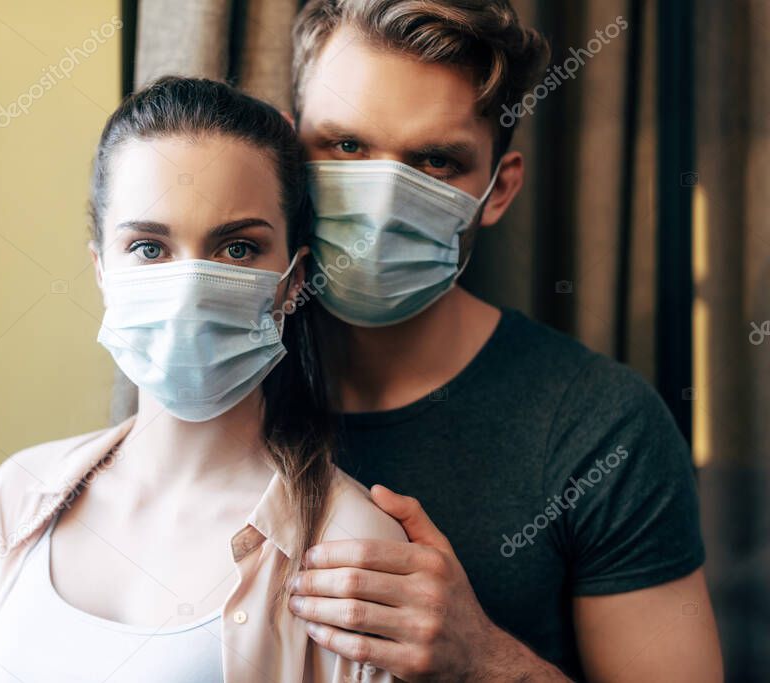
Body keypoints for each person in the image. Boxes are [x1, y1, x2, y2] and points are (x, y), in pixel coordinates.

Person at [281, 1, 723, 681]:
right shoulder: (218, 384)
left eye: (435, 160)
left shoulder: (606, 428)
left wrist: (480, 657)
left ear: (498, 189)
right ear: (289, 151)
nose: (381, 200)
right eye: (345, 146)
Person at [0, 76, 407, 682]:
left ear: (294, 280)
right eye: (148, 248)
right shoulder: (18, 496)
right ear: (101, 270)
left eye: (237, 249)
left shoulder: (353, 551)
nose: (190, 287)